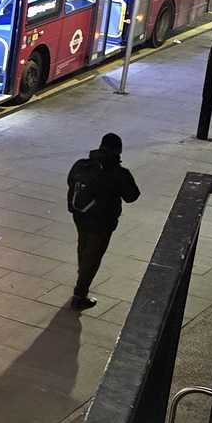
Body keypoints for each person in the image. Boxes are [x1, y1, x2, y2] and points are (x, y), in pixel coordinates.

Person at [66, 133, 141, 311]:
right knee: (93, 256)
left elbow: (70, 182)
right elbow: (132, 196)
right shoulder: (119, 173)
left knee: (84, 247)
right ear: (119, 151)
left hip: (80, 216)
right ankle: (79, 295)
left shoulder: (81, 164)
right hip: (102, 222)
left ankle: (81, 278)